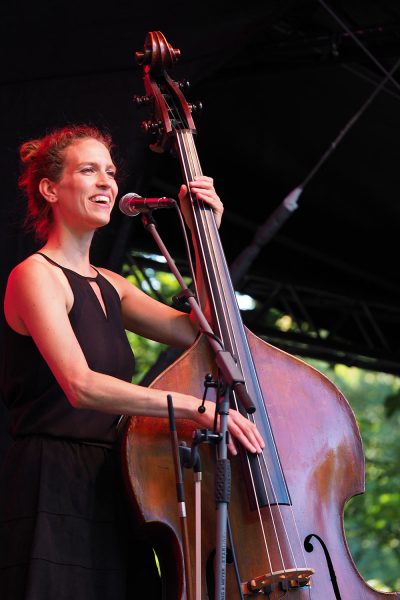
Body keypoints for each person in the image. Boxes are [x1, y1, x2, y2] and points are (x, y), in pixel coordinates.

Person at [0, 125, 264, 599]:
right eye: (88, 171)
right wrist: (192, 408)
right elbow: (81, 385)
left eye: (110, 172)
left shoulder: (111, 283)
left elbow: (203, 329)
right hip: (52, 481)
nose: (106, 182)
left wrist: (204, 235)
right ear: (49, 188)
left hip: (117, 480)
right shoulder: (34, 276)